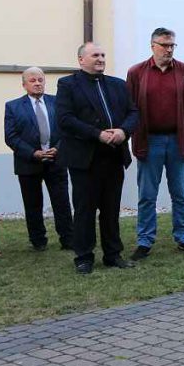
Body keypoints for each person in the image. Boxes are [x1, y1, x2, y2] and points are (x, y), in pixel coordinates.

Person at [57, 42, 139, 274]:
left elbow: (133, 113)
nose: (101, 59)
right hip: (85, 158)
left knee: (111, 209)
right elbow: (65, 119)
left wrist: (123, 131)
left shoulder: (117, 85)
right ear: (81, 59)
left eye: (102, 55)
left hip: (113, 155)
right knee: (85, 209)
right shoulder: (68, 85)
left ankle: (113, 254)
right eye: (95, 55)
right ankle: (84, 256)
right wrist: (97, 134)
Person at [126, 27, 184, 260]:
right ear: (153, 46)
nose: (169, 50)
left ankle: (183, 237)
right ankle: (145, 240)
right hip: (149, 141)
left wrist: (178, 124)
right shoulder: (137, 72)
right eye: (164, 45)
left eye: (172, 45)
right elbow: (131, 106)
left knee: (181, 193)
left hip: (178, 140)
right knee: (147, 194)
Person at [4, 67, 74, 251]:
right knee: (33, 204)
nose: (37, 83)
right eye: (32, 80)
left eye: (40, 80)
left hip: (56, 160)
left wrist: (57, 148)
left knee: (62, 202)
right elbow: (11, 137)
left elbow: (67, 129)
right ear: (24, 84)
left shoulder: (57, 102)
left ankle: (68, 238)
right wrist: (33, 153)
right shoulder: (13, 106)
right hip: (28, 163)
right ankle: (38, 240)